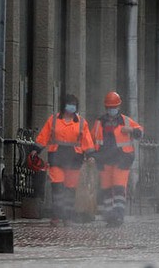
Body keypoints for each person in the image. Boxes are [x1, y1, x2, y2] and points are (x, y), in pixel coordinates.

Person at [31, 94, 95, 227]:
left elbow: (87, 140)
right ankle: (56, 216)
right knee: (57, 187)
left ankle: (68, 217)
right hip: (56, 158)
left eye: (74, 104)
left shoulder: (82, 123)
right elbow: (44, 136)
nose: (71, 107)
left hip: (74, 160)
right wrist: (36, 149)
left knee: (70, 189)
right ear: (64, 105)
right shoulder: (53, 120)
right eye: (69, 103)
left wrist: (90, 155)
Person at [91, 91, 144, 227]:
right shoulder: (99, 122)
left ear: (118, 107)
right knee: (107, 190)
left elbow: (140, 132)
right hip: (104, 160)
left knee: (119, 189)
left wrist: (131, 130)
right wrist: (92, 155)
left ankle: (119, 216)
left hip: (122, 159)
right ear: (106, 108)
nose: (111, 110)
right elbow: (92, 139)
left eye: (113, 107)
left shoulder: (126, 121)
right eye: (109, 107)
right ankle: (110, 218)